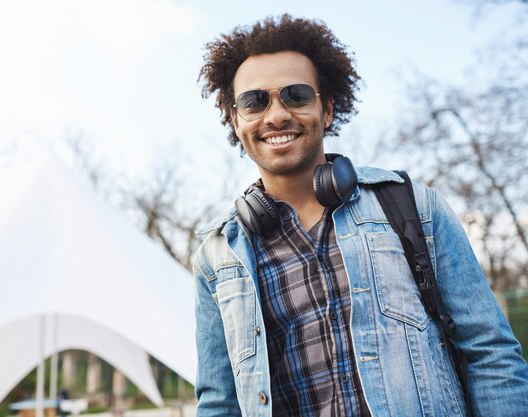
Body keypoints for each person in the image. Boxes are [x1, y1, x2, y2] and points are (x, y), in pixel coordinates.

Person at [193, 14, 528, 417]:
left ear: (328, 109)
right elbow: (219, 403)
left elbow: (490, 355)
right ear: (235, 119)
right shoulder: (216, 256)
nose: (276, 115)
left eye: (296, 96)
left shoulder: (414, 207)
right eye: (254, 101)